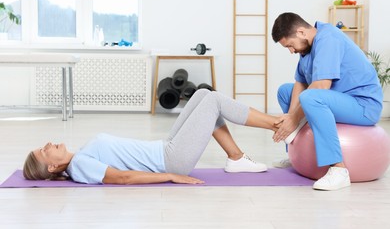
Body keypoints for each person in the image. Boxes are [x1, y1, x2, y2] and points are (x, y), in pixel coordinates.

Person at [23, 89, 280, 185]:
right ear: (54, 166)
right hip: (170, 160)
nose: (48, 144)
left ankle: (236, 158)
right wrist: (169, 176)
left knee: (203, 95)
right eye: (45, 151)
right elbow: (122, 178)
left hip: (166, 147)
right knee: (212, 101)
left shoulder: (79, 156)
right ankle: (279, 125)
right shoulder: (80, 166)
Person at [271, 12, 383, 191]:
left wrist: (293, 119)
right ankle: (296, 155)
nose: (291, 51)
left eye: (290, 46)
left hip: (363, 106)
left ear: (301, 32)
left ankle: (338, 169)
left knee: (310, 96)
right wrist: (292, 116)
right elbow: (300, 83)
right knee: (285, 91)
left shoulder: (328, 38)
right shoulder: (306, 47)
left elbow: (321, 85)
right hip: (337, 99)